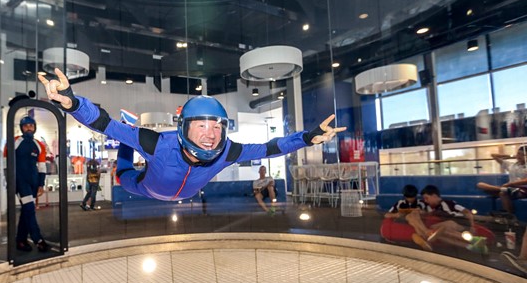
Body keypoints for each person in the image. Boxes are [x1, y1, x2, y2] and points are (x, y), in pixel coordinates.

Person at [40, 68, 346, 202]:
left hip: (184, 194)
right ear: (184, 127)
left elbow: (270, 147)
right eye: (202, 125)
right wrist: (72, 102)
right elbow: (103, 123)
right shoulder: (158, 142)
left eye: (217, 126)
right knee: (123, 171)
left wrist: (306, 138)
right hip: (145, 188)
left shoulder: (227, 151)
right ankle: (127, 142)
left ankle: (127, 139)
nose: (211, 134)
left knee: (127, 140)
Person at [3, 116, 51, 252]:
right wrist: (10, 182)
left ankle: (21, 240)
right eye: (26, 126)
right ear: (22, 128)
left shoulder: (39, 145)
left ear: (35, 127)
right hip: (19, 181)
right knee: (29, 209)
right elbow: (6, 163)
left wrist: (41, 184)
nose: (29, 128)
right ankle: (38, 239)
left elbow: (42, 167)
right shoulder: (14, 141)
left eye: (31, 125)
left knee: (26, 210)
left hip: (33, 182)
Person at [412, 184, 488, 253]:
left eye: (427, 198)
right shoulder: (428, 208)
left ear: (434, 196)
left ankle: (427, 237)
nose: (426, 201)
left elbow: (467, 212)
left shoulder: (450, 203)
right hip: (444, 227)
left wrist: (472, 226)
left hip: (458, 222)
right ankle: (471, 246)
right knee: (438, 234)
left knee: (434, 229)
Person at [476, 145, 527, 214]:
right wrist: (511, 156)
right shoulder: (512, 165)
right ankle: (506, 189)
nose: (519, 156)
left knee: (502, 193)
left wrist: (510, 184)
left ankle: (510, 215)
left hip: (523, 190)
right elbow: (494, 155)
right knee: (480, 185)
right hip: (510, 188)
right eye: (518, 154)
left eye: (522, 154)